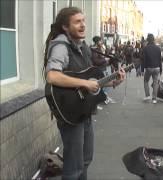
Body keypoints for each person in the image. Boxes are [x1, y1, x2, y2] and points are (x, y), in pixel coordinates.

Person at [43, 7, 125, 180]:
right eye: (77, 22)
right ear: (65, 27)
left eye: (83, 21)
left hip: (83, 110)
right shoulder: (61, 45)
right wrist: (84, 83)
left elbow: (91, 79)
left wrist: (114, 81)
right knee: (74, 167)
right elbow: (52, 75)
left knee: (86, 159)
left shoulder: (83, 47)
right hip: (69, 113)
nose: (82, 25)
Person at [142, 33, 162, 104]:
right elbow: (160, 60)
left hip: (149, 68)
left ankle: (147, 96)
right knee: (155, 83)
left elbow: (143, 60)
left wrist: (142, 70)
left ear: (147, 40)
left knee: (146, 81)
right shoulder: (158, 48)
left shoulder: (145, 48)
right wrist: (161, 70)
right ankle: (154, 99)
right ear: (153, 39)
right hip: (157, 68)